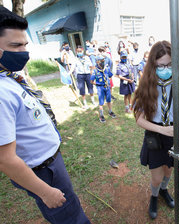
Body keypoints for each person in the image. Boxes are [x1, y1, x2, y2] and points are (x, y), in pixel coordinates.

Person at [0, 6, 90, 224]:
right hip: (42, 172)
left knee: (70, 207)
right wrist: (45, 191)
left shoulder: (9, 77)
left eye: (25, 44)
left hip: (51, 164)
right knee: (69, 218)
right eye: (15, 45)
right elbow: (5, 159)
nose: (24, 51)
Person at [132, 40, 179, 219]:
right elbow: (139, 120)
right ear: (153, 65)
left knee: (169, 170)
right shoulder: (146, 85)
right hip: (156, 135)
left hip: (175, 135)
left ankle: (163, 191)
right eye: (161, 65)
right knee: (156, 176)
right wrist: (163, 130)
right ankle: (154, 195)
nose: (165, 68)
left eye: (169, 64)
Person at [90, 55, 116, 123]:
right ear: (97, 62)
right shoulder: (95, 71)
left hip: (107, 87)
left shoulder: (106, 69)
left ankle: (110, 111)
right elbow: (91, 81)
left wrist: (107, 81)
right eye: (101, 61)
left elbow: (110, 76)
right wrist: (98, 84)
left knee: (109, 100)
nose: (102, 62)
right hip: (100, 88)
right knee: (101, 102)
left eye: (103, 60)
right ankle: (101, 115)